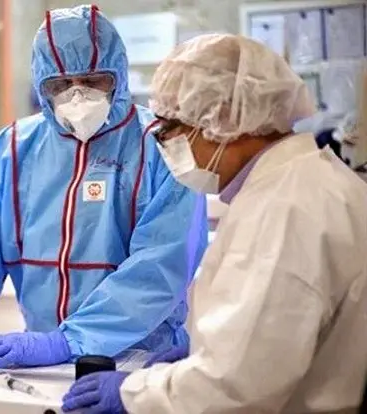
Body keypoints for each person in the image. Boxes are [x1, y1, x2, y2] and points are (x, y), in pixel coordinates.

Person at [0, 5, 208, 368]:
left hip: (141, 361)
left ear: (119, 75)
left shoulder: (165, 145)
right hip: (42, 360)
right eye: (60, 85)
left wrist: (70, 340)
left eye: (94, 80)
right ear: (41, 86)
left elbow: (160, 268)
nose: (77, 97)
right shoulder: (13, 148)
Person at [63, 33, 367, 413]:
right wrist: (204, 351)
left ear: (223, 117)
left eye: (170, 128)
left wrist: (134, 393)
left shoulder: (285, 209)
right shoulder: (303, 182)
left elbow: (234, 385)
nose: (164, 144)